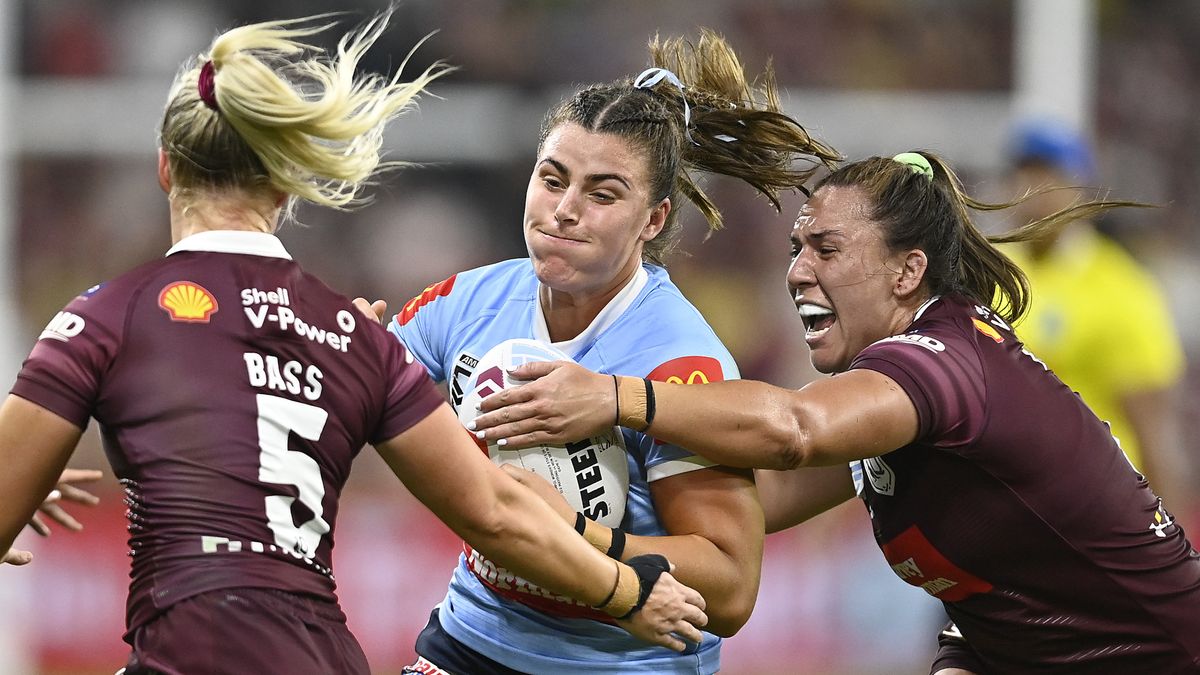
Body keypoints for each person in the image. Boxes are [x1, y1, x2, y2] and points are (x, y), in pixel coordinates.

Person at [0, 13, 708, 674]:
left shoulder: (103, 317)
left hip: (190, 648)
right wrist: (627, 591)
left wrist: (19, 474)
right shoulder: (353, 337)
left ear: (164, 168)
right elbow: (494, 512)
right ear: (285, 186)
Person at [471, 151, 1200, 673]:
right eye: (796, 248)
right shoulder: (905, 395)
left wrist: (613, 396)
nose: (798, 270)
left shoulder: (941, 363)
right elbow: (767, 500)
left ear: (907, 271)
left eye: (825, 248)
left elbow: (793, 432)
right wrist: (579, 514)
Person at [385, 30, 840, 675]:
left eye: (602, 194)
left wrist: (571, 541)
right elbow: (355, 401)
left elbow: (732, 591)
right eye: (553, 180)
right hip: (471, 641)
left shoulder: (679, 362)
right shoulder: (468, 299)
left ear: (652, 221)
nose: (565, 211)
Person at [1003, 118, 1190, 508]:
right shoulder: (986, 273)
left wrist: (1177, 552)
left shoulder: (1121, 289)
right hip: (1001, 502)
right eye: (1023, 176)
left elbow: (1153, 433)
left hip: (1092, 508)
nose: (1033, 192)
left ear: (1080, 191)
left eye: (1048, 178)